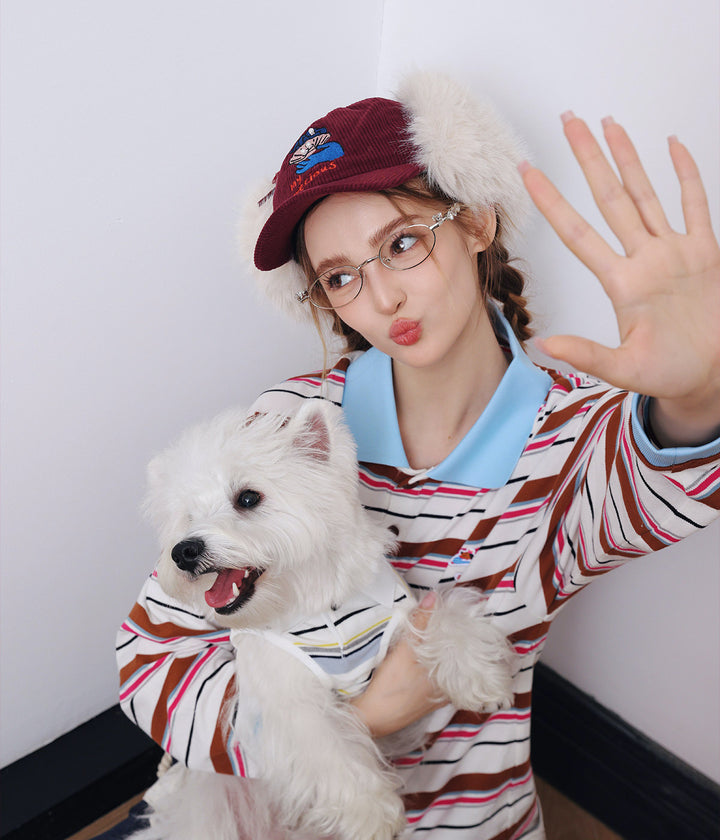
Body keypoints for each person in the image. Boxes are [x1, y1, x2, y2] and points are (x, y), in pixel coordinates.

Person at [114, 72, 720, 839]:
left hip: (477, 823)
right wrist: (367, 717)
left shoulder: (571, 436)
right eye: (341, 277)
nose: (382, 298)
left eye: (401, 244)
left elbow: (661, 489)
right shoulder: (285, 425)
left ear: (476, 223)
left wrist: (703, 395)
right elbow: (151, 653)